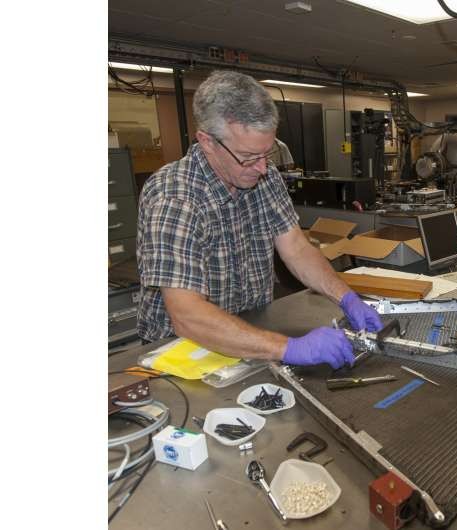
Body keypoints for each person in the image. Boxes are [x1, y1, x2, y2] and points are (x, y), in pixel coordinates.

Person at [136, 70, 382, 369]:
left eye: (268, 153)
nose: (263, 168)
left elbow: (297, 248)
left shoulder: (264, 179)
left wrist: (346, 297)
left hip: (249, 334)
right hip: (183, 353)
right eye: (249, 157)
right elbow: (187, 315)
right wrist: (289, 347)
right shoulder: (175, 197)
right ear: (208, 141)